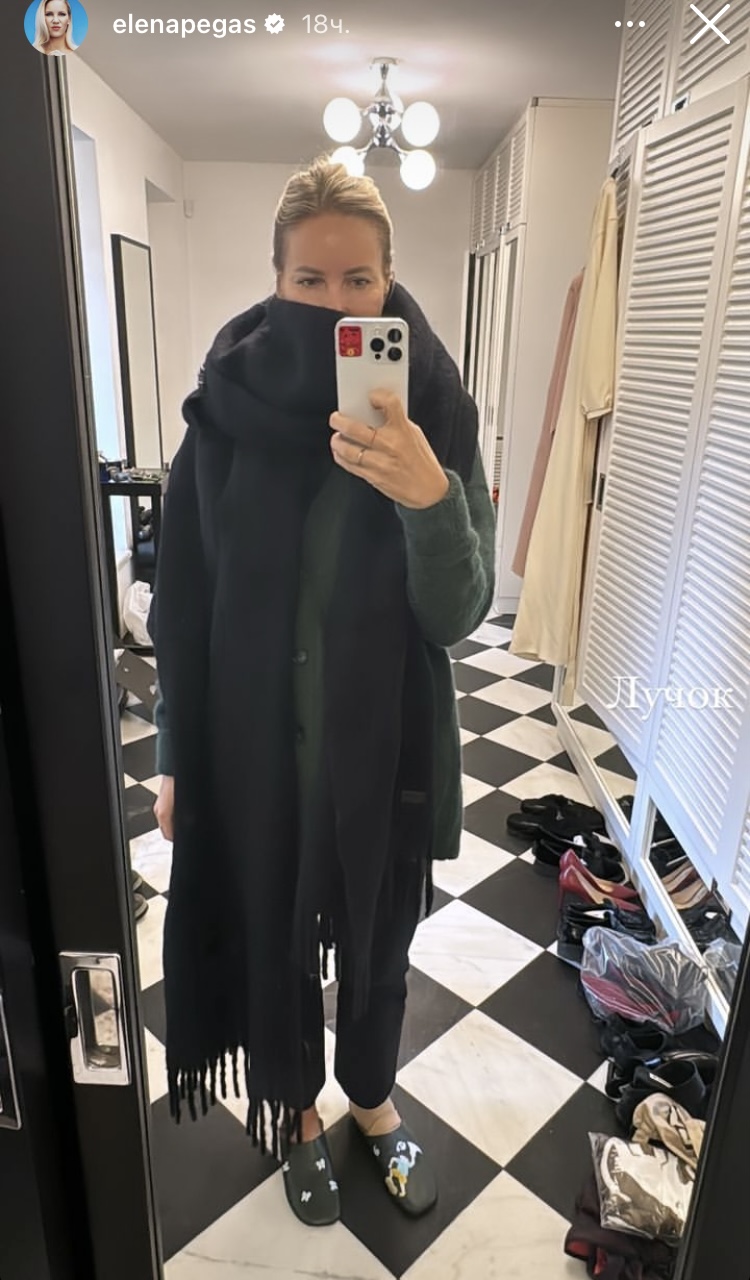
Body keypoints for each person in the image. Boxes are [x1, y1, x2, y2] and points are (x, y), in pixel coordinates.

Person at [148, 156, 496, 1227]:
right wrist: (172, 760)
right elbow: (181, 602)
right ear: (277, 279)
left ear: (390, 280)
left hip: (383, 751)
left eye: (359, 281)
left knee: (381, 946)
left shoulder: (436, 409)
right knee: (275, 934)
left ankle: (373, 1099)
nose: (337, 303)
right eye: (311, 279)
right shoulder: (224, 410)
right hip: (255, 751)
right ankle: (297, 1110)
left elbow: (459, 612)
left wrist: (430, 498)